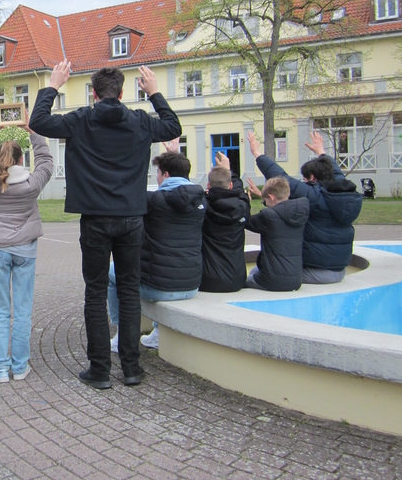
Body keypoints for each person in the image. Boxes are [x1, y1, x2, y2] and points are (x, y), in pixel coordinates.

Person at [29, 61, 181, 389]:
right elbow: (172, 126)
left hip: (95, 219)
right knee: (128, 291)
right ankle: (131, 368)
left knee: (96, 292)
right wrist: (154, 92)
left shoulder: (81, 119)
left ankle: (99, 370)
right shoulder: (140, 121)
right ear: (123, 93)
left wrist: (53, 86)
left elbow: (38, 121)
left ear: (94, 94)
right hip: (131, 218)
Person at [0, 117, 53, 383]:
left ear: (0, 158)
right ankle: (20, 367)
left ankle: (0, 368)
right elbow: (46, 162)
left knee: (0, 311)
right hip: (25, 251)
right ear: (21, 161)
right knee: (22, 310)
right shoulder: (31, 184)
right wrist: (34, 132)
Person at [109, 143, 206, 351]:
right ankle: (157, 333)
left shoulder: (152, 201)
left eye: (159, 173)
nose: (157, 178)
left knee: (112, 272)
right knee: (162, 266)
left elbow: (122, 192)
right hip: (191, 285)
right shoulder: (200, 201)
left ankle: (121, 334)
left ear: (166, 174)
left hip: (161, 290)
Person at [248, 131, 362, 284]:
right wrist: (321, 153)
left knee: (258, 272)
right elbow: (336, 171)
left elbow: (282, 177)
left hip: (318, 271)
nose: (304, 182)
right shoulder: (343, 193)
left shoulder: (315, 197)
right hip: (339, 269)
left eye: (305, 179)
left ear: (313, 178)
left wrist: (257, 154)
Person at [244, 177, 310, 291]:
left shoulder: (267, 216)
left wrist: (246, 202)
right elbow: (280, 208)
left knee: (244, 280)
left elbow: (245, 220)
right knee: (255, 270)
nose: (266, 204)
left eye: (266, 201)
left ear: (271, 197)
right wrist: (262, 194)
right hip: (296, 280)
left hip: (272, 281)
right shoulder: (300, 212)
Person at [199, 152, 251, 293]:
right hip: (237, 280)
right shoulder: (243, 205)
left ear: (208, 185)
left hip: (207, 280)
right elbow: (240, 191)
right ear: (231, 185)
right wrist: (229, 172)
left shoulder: (203, 207)